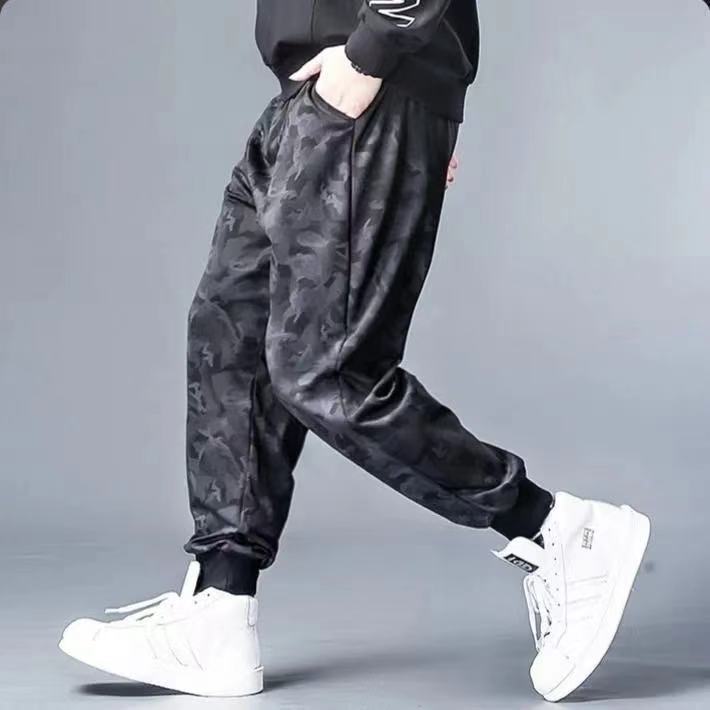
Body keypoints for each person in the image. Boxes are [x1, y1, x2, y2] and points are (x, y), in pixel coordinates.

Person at [58, 0, 652, 702]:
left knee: (328, 374)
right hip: (311, 91)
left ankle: (558, 531)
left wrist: (377, 58)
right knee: (230, 341)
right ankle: (218, 610)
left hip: (364, 85)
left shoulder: (371, 67)